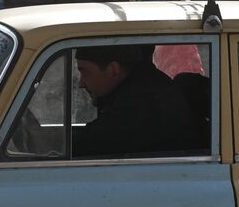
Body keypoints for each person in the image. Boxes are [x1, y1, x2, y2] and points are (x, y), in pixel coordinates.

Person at [71, 45, 203, 158]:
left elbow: (88, 144)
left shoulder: (139, 105)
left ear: (113, 70)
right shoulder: (144, 88)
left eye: (85, 73)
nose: (81, 83)